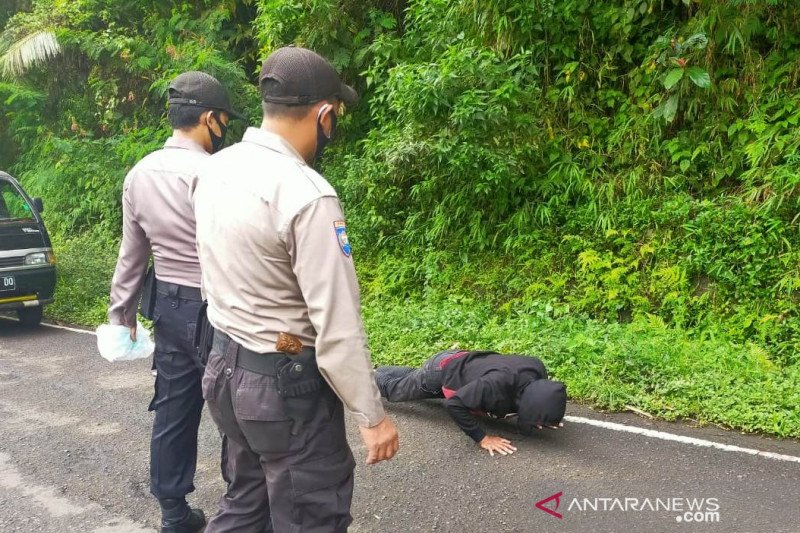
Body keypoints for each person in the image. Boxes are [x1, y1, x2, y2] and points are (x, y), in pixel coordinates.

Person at [192, 46, 400, 533]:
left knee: (247, 504)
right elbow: (338, 326)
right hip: (285, 390)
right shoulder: (308, 195)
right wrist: (372, 417)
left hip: (224, 370)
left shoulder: (214, 170)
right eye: (337, 114)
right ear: (325, 114)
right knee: (311, 515)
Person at [108, 71, 245, 533]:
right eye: (222, 120)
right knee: (232, 408)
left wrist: (121, 313)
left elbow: (132, 253)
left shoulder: (139, 173)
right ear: (208, 119)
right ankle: (240, 509)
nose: (222, 129)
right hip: (218, 309)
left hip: (166, 306)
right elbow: (233, 252)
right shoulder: (214, 174)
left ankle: (173, 515)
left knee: (172, 409)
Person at [375, 349, 567, 456]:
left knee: (413, 378)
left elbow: (542, 396)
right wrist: (483, 439)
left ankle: (378, 371)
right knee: (395, 391)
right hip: (442, 373)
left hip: (465, 362)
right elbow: (454, 404)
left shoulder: (536, 370)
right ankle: (358, 378)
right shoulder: (495, 384)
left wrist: (543, 414)